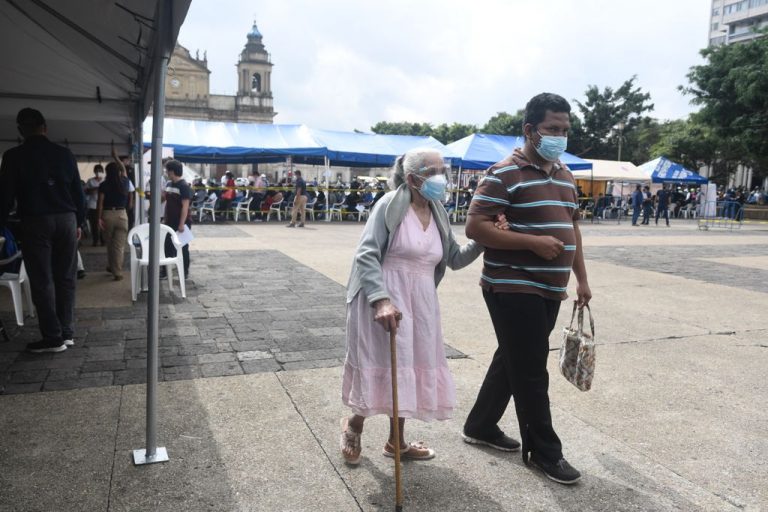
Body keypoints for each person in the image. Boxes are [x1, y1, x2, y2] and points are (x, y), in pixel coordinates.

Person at [462, 93, 591, 485]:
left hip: (552, 288)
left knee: (514, 357)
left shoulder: (566, 175)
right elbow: (475, 227)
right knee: (532, 368)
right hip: (511, 285)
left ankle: (481, 425)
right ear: (530, 131)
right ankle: (544, 452)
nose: (560, 137)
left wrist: (582, 278)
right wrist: (532, 243)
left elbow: (573, 230)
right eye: (553, 129)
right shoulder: (502, 174)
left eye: (565, 130)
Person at [340, 148, 488, 465]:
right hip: (380, 298)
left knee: (407, 367)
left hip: (420, 302)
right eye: (432, 171)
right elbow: (365, 255)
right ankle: (354, 425)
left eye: (442, 170)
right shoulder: (389, 205)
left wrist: (484, 240)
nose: (441, 177)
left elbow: (454, 258)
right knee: (380, 365)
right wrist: (381, 301)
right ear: (412, 178)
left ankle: (397, 442)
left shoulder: (437, 211)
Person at [0, 108, 86, 353]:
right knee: (66, 277)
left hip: (36, 220)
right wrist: (78, 222)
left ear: (20, 131)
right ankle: (66, 332)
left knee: (42, 279)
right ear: (45, 127)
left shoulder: (14, 156)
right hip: (67, 220)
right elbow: (77, 194)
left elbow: (5, 195)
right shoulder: (65, 154)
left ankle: (53, 336)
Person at [97, 145, 133, 281]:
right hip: (122, 215)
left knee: (110, 243)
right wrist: (115, 157)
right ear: (118, 171)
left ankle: (114, 268)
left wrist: (98, 218)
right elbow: (123, 168)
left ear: (107, 172)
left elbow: (100, 204)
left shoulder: (104, 185)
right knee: (119, 246)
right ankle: (115, 270)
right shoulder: (124, 181)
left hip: (107, 215)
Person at [161, 160, 192, 279]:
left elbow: (185, 207)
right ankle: (165, 271)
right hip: (169, 221)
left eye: (167, 170)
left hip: (181, 222)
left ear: (172, 171)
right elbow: (164, 199)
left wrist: (181, 224)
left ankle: (184, 272)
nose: (166, 172)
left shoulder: (184, 186)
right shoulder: (168, 184)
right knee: (167, 246)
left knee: (182, 247)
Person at [85, 164, 105, 246]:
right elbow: (85, 191)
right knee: (93, 224)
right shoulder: (90, 181)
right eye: (97, 171)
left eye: (100, 171)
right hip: (92, 205)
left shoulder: (105, 181)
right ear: (94, 172)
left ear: (103, 172)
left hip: (103, 206)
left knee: (103, 224)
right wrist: (95, 189)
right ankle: (95, 240)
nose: (98, 172)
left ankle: (103, 240)